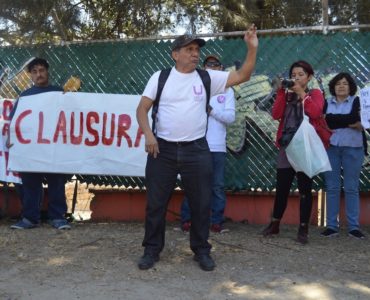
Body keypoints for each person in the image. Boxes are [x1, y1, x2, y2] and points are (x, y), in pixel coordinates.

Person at [136, 25, 258, 271]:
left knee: (202, 203)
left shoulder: (206, 77)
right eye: (189, 49)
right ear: (175, 54)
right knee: (156, 204)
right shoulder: (160, 77)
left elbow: (243, 75)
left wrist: (252, 48)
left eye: (196, 50)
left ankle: (202, 250)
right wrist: (149, 135)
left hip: (197, 150)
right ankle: (151, 250)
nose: (195, 54)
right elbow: (141, 109)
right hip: (163, 151)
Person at [261, 60, 325, 244]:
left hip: (305, 146)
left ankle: (303, 229)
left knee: (305, 189)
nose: (296, 78)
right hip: (287, 146)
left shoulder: (315, 93)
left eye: (301, 74)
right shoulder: (287, 95)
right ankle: (275, 224)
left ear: (309, 77)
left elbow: (315, 112)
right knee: (282, 188)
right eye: (294, 74)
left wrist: (301, 93)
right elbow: (275, 114)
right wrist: (282, 91)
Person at [9, 57, 71, 230]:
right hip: (30, 149)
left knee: (56, 182)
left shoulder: (59, 92)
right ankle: (29, 218)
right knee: (30, 184)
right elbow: (14, 121)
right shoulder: (25, 96)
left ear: (47, 72)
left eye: (41, 70)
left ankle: (58, 218)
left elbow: (69, 117)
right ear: (30, 75)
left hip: (54, 147)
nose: (39, 74)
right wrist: (11, 140)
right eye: (34, 71)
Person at [180, 54, 235, 234]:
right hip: (195, 144)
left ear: (221, 69)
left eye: (216, 64)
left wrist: (211, 111)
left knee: (217, 186)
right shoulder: (195, 87)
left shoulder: (227, 90)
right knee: (192, 184)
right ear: (203, 68)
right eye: (208, 64)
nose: (212, 67)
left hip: (217, 147)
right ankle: (187, 219)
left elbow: (230, 118)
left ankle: (216, 221)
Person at [320, 72, 365, 239]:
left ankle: (354, 227)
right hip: (330, 147)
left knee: (351, 187)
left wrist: (333, 119)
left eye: (345, 83)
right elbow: (324, 121)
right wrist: (349, 122)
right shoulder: (326, 102)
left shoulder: (357, 101)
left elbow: (356, 118)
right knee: (332, 187)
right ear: (333, 86)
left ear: (351, 87)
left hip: (353, 148)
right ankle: (332, 226)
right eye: (338, 83)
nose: (341, 86)